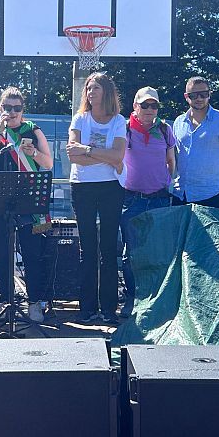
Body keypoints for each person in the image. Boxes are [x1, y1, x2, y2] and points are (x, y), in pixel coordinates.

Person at [0, 86, 53, 323]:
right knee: (2, 253)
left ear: (22, 110)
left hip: (29, 200)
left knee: (32, 253)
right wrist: (0, 133)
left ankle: (34, 302)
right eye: (7, 107)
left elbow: (48, 163)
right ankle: (6, 300)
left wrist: (33, 153)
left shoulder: (33, 130)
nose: (11, 112)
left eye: (16, 108)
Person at [67, 73, 126, 324]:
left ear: (107, 92)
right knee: (87, 248)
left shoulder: (118, 121)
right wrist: (105, 155)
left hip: (111, 187)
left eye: (96, 88)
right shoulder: (80, 119)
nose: (91, 93)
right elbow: (73, 156)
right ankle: (87, 308)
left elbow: (119, 156)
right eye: (89, 89)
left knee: (108, 248)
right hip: (82, 187)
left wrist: (88, 150)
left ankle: (109, 309)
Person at [120, 86, 176, 318]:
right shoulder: (124, 128)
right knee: (131, 253)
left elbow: (171, 161)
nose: (150, 109)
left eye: (154, 105)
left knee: (158, 252)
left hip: (159, 200)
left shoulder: (165, 129)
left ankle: (155, 301)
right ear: (135, 106)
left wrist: (166, 182)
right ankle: (132, 299)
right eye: (145, 105)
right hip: (132, 199)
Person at [173, 76, 219, 209]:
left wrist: (214, 177)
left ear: (209, 94)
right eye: (193, 95)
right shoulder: (178, 122)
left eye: (203, 94)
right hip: (181, 194)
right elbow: (177, 154)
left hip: (212, 194)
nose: (199, 98)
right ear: (186, 97)